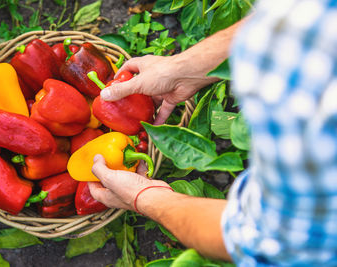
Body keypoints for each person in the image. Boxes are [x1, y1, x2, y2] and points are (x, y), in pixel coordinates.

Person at [88, 0, 337, 265]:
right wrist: (184, 69)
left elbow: (268, 237)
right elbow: (295, 19)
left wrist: (145, 198)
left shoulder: (312, 105)